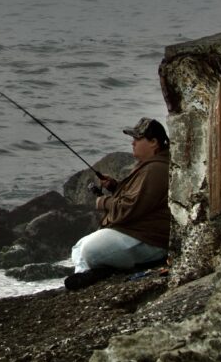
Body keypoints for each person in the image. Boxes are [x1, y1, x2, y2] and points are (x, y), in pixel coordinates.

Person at [64, 117, 171, 290]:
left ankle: (93, 272)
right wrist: (116, 187)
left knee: (88, 250)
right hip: (138, 231)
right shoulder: (150, 165)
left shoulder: (155, 169)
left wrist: (103, 202)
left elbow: (128, 209)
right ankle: (87, 274)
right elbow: (140, 199)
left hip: (150, 240)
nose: (133, 143)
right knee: (79, 247)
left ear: (153, 142)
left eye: (138, 139)